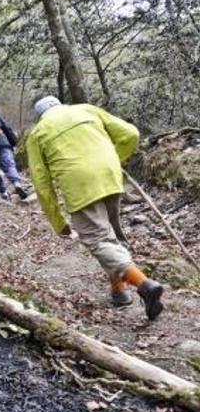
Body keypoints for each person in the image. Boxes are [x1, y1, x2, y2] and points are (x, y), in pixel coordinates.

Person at [26, 96, 164, 320]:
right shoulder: (86, 110)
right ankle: (119, 291)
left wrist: (57, 221)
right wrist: (113, 158)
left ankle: (144, 285)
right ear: (60, 105)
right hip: (109, 174)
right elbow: (131, 134)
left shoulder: (38, 133)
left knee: (99, 241)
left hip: (80, 186)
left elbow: (42, 184)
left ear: (40, 115)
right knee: (111, 235)